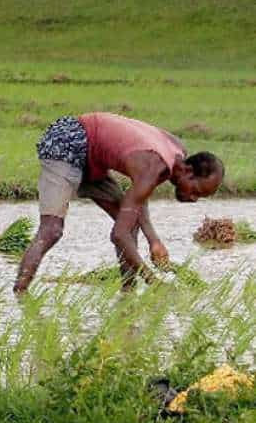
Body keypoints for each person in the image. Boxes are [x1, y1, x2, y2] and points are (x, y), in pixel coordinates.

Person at [14, 112, 224, 294]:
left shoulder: (176, 152)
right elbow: (118, 234)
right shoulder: (153, 167)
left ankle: (127, 293)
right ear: (188, 171)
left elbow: (138, 199)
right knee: (52, 230)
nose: (193, 199)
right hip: (67, 141)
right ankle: (20, 293)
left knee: (130, 223)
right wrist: (153, 281)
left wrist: (154, 240)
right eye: (195, 191)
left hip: (92, 157)